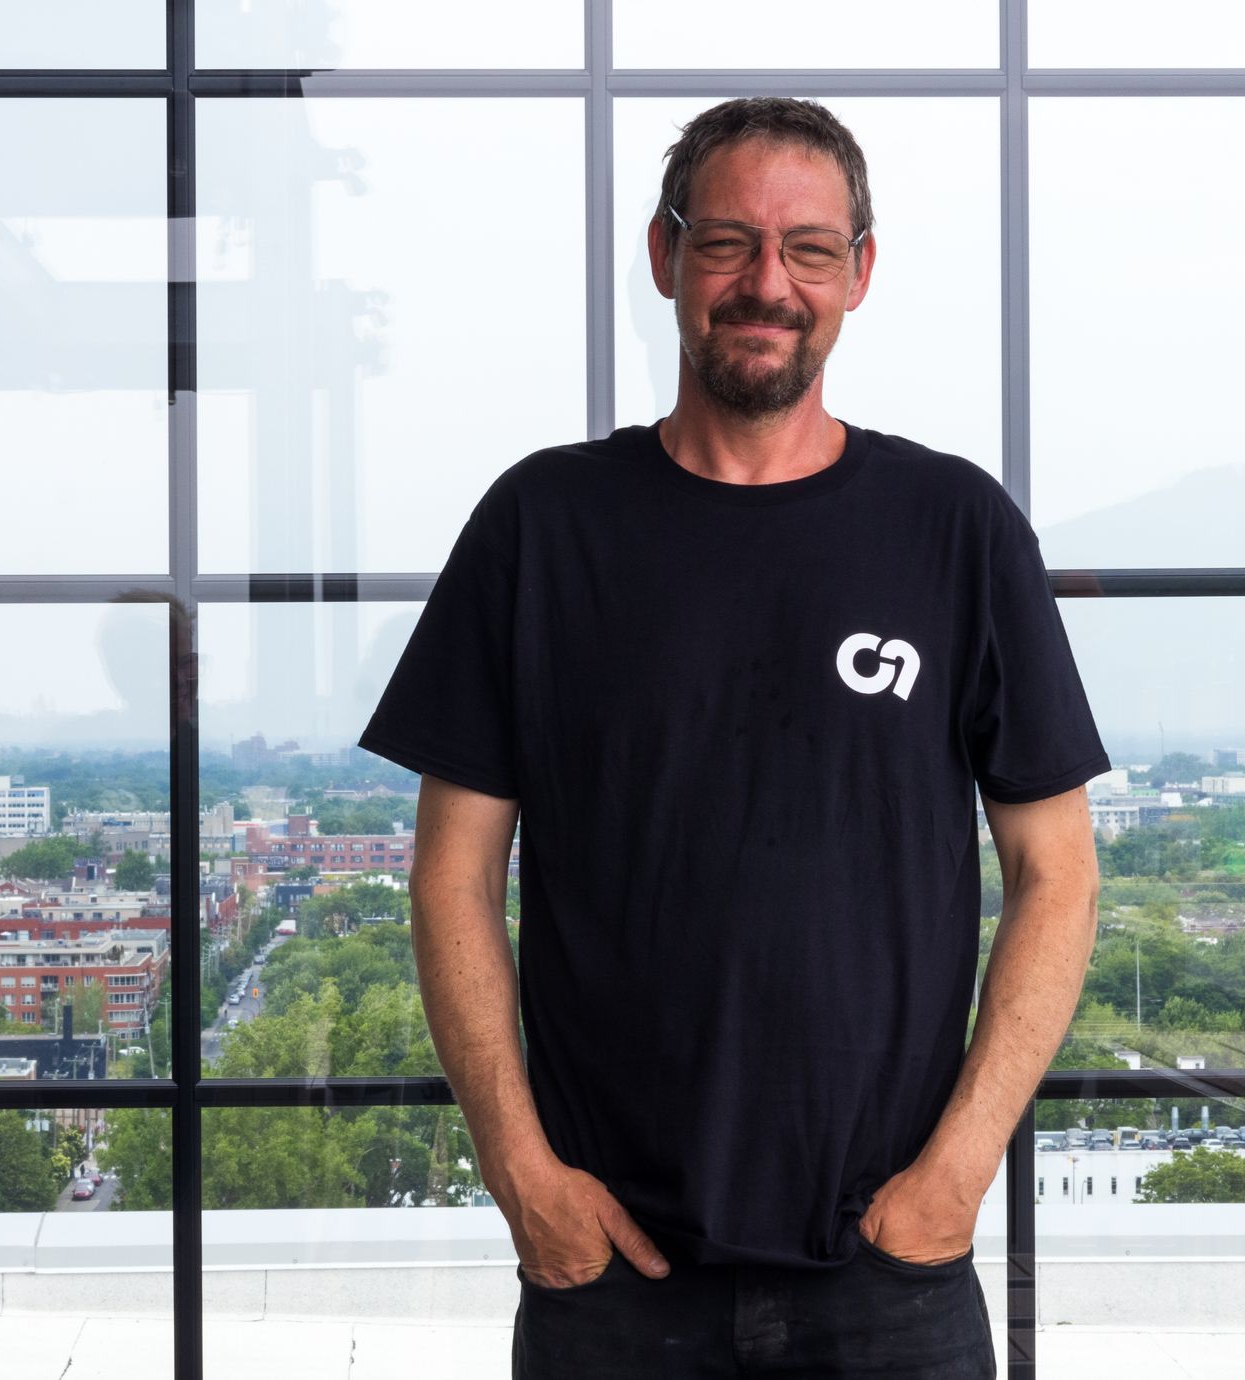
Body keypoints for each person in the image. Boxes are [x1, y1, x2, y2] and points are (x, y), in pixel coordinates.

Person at [356, 96, 1106, 1377]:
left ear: (859, 273)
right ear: (665, 256)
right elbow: (453, 872)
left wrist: (956, 1176)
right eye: (728, 244)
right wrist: (520, 1173)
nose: (769, 283)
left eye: (809, 249)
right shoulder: (541, 528)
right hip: (608, 1276)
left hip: (889, 1277)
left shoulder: (955, 530)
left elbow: (1061, 872)